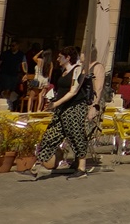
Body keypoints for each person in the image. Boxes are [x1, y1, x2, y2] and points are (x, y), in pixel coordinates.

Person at [25, 46, 93, 179]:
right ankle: (36, 166)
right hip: (61, 109)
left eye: (60, 56)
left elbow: (73, 91)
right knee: (50, 135)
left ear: (67, 58)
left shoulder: (78, 70)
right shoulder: (63, 71)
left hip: (74, 108)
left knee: (76, 135)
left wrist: (55, 103)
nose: (57, 59)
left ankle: (81, 168)